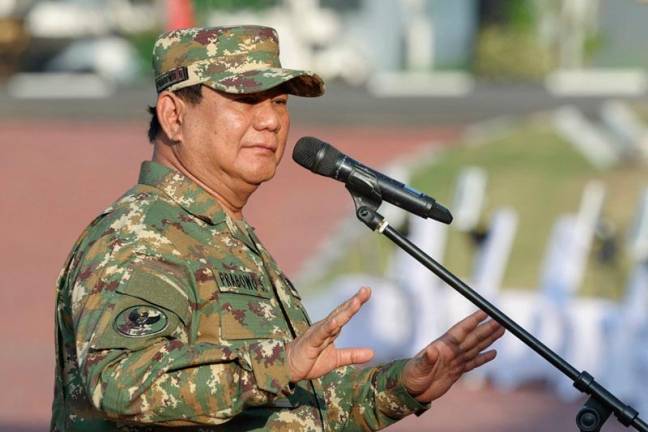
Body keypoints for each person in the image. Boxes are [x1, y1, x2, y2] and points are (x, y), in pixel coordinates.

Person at [51, 25, 504, 431]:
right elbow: (124, 384)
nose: (270, 120)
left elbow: (299, 408)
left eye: (280, 101)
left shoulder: (221, 235)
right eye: (245, 100)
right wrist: (278, 364)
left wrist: (404, 384)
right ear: (174, 116)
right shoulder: (141, 238)